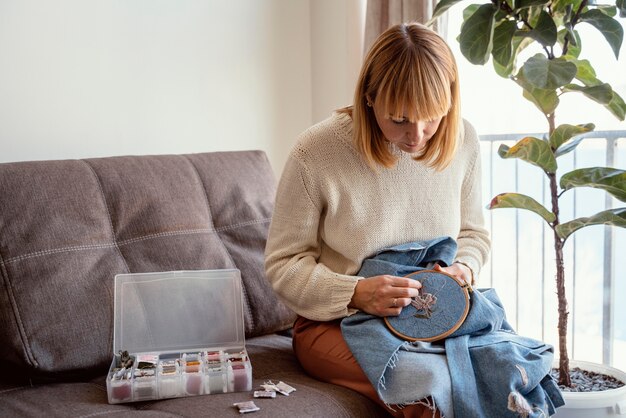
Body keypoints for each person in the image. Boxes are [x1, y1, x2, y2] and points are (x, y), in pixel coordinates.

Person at [264, 22, 490, 418]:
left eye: (433, 117)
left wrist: (463, 268)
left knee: (502, 370)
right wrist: (355, 292)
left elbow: (473, 234)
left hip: (432, 318)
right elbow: (283, 266)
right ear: (369, 97)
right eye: (399, 118)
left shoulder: (463, 141)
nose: (417, 136)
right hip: (333, 324)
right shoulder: (315, 152)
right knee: (431, 390)